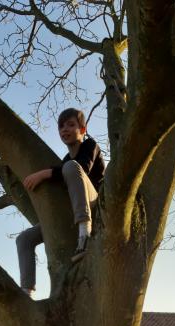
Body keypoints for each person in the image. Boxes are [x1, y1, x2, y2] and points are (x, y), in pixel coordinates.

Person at [16, 107, 106, 295]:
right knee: (24, 239)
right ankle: (27, 289)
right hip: (72, 211)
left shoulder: (90, 146)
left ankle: (84, 232)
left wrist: (44, 173)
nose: (64, 129)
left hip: (94, 206)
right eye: (61, 127)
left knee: (71, 167)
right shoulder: (65, 160)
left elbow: (82, 167)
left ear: (83, 129)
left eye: (71, 125)